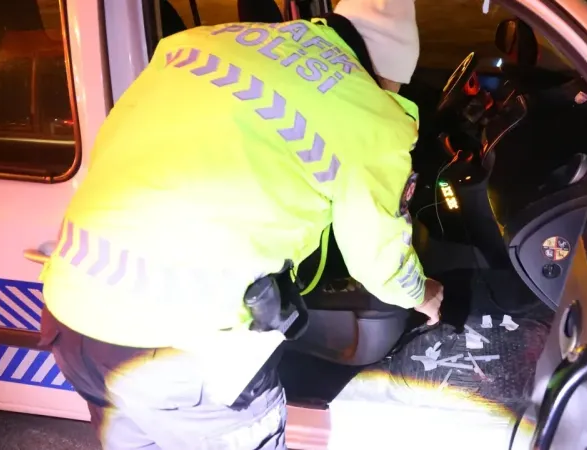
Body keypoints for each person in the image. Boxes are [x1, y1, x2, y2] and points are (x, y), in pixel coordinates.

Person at [37, 0, 444, 448]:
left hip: (72, 314)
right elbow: (379, 262)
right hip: (184, 351)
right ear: (386, 71)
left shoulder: (197, 44)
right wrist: (422, 294)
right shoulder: (371, 116)